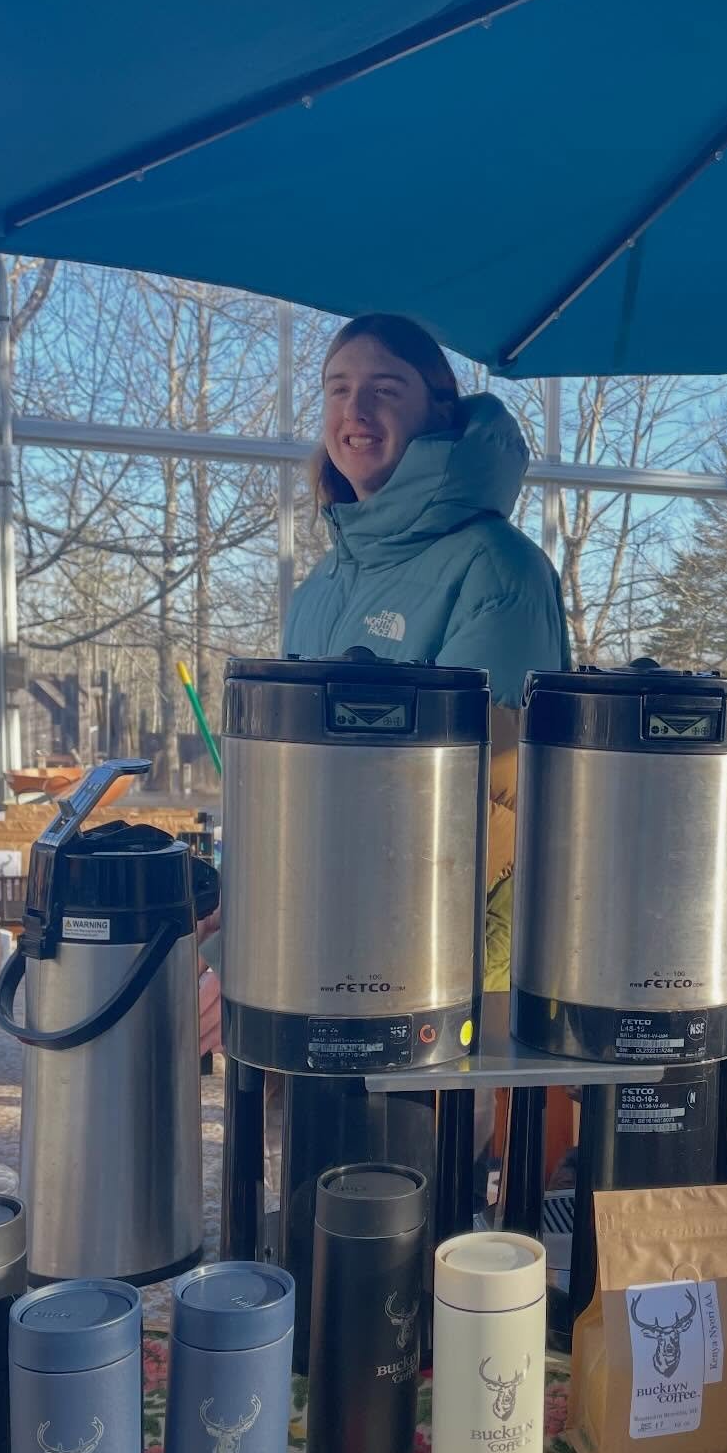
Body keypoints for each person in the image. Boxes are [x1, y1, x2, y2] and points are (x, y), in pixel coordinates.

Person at [198, 313, 570, 1054]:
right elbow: (290, 793)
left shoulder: (499, 571)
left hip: (442, 981)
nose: (355, 411)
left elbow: (481, 810)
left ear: (438, 408)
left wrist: (254, 944)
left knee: (405, 1137)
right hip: (318, 961)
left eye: (384, 389)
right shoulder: (324, 585)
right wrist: (235, 908)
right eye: (337, 389)